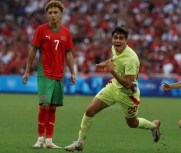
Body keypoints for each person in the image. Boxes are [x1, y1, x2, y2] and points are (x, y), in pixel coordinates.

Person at [64, 26, 160, 152]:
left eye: (121, 38)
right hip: (113, 87)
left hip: (128, 94)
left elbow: (127, 84)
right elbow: (114, 60)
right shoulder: (115, 48)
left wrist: (112, 71)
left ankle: (153, 126)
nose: (117, 41)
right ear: (112, 39)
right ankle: (80, 142)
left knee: (132, 123)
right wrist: (103, 64)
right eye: (115, 38)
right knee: (89, 111)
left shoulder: (131, 59)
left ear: (126, 40)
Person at [22, 0, 76, 149]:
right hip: (44, 72)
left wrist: (72, 73)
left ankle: (49, 141)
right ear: (47, 14)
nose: (52, 15)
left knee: (53, 107)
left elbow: (69, 54)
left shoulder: (66, 32)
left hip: (59, 74)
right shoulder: (41, 30)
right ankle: (40, 139)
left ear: (61, 14)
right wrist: (27, 71)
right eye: (50, 13)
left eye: (55, 12)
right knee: (45, 104)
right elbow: (33, 51)